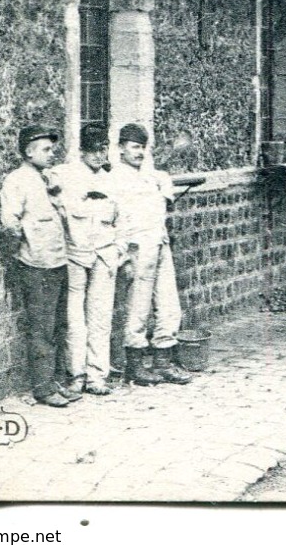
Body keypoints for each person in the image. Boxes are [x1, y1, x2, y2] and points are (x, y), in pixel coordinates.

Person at [0, 124, 73, 407]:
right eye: (46, 149)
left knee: (58, 326)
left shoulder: (46, 179)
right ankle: (43, 388)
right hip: (36, 266)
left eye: (52, 149)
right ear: (29, 153)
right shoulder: (17, 181)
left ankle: (56, 381)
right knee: (41, 328)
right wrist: (27, 250)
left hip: (57, 261)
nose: (52, 153)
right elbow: (10, 222)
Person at [113, 123, 193, 386]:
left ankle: (164, 360)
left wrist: (163, 184)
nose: (139, 152)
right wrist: (123, 256)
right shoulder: (115, 178)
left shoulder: (148, 175)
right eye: (134, 147)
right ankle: (134, 366)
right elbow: (116, 221)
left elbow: (164, 182)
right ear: (121, 148)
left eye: (143, 148)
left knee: (169, 305)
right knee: (138, 307)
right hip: (137, 247)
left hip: (159, 242)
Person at [49, 121, 121, 398]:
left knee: (100, 316)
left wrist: (119, 249)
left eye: (103, 149)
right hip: (75, 254)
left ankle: (96, 375)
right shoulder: (64, 175)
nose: (99, 156)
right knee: (74, 318)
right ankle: (75, 374)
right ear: (81, 150)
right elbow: (54, 204)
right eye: (93, 150)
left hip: (104, 253)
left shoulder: (111, 180)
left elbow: (122, 218)